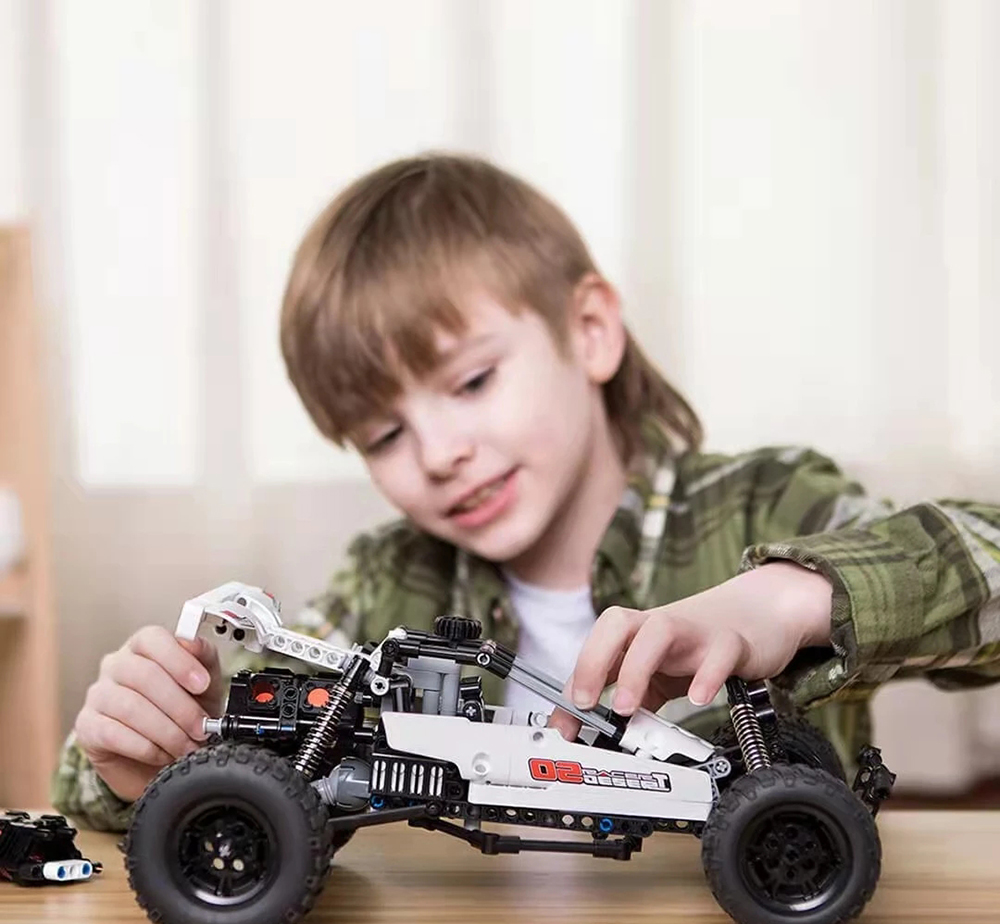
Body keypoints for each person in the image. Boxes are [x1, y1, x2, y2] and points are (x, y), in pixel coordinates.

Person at [52, 153, 1000, 831]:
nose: (438, 453)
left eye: (470, 383)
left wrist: (786, 597)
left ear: (589, 329)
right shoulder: (391, 587)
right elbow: (250, 764)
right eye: (384, 434)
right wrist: (145, 760)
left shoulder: (769, 506)